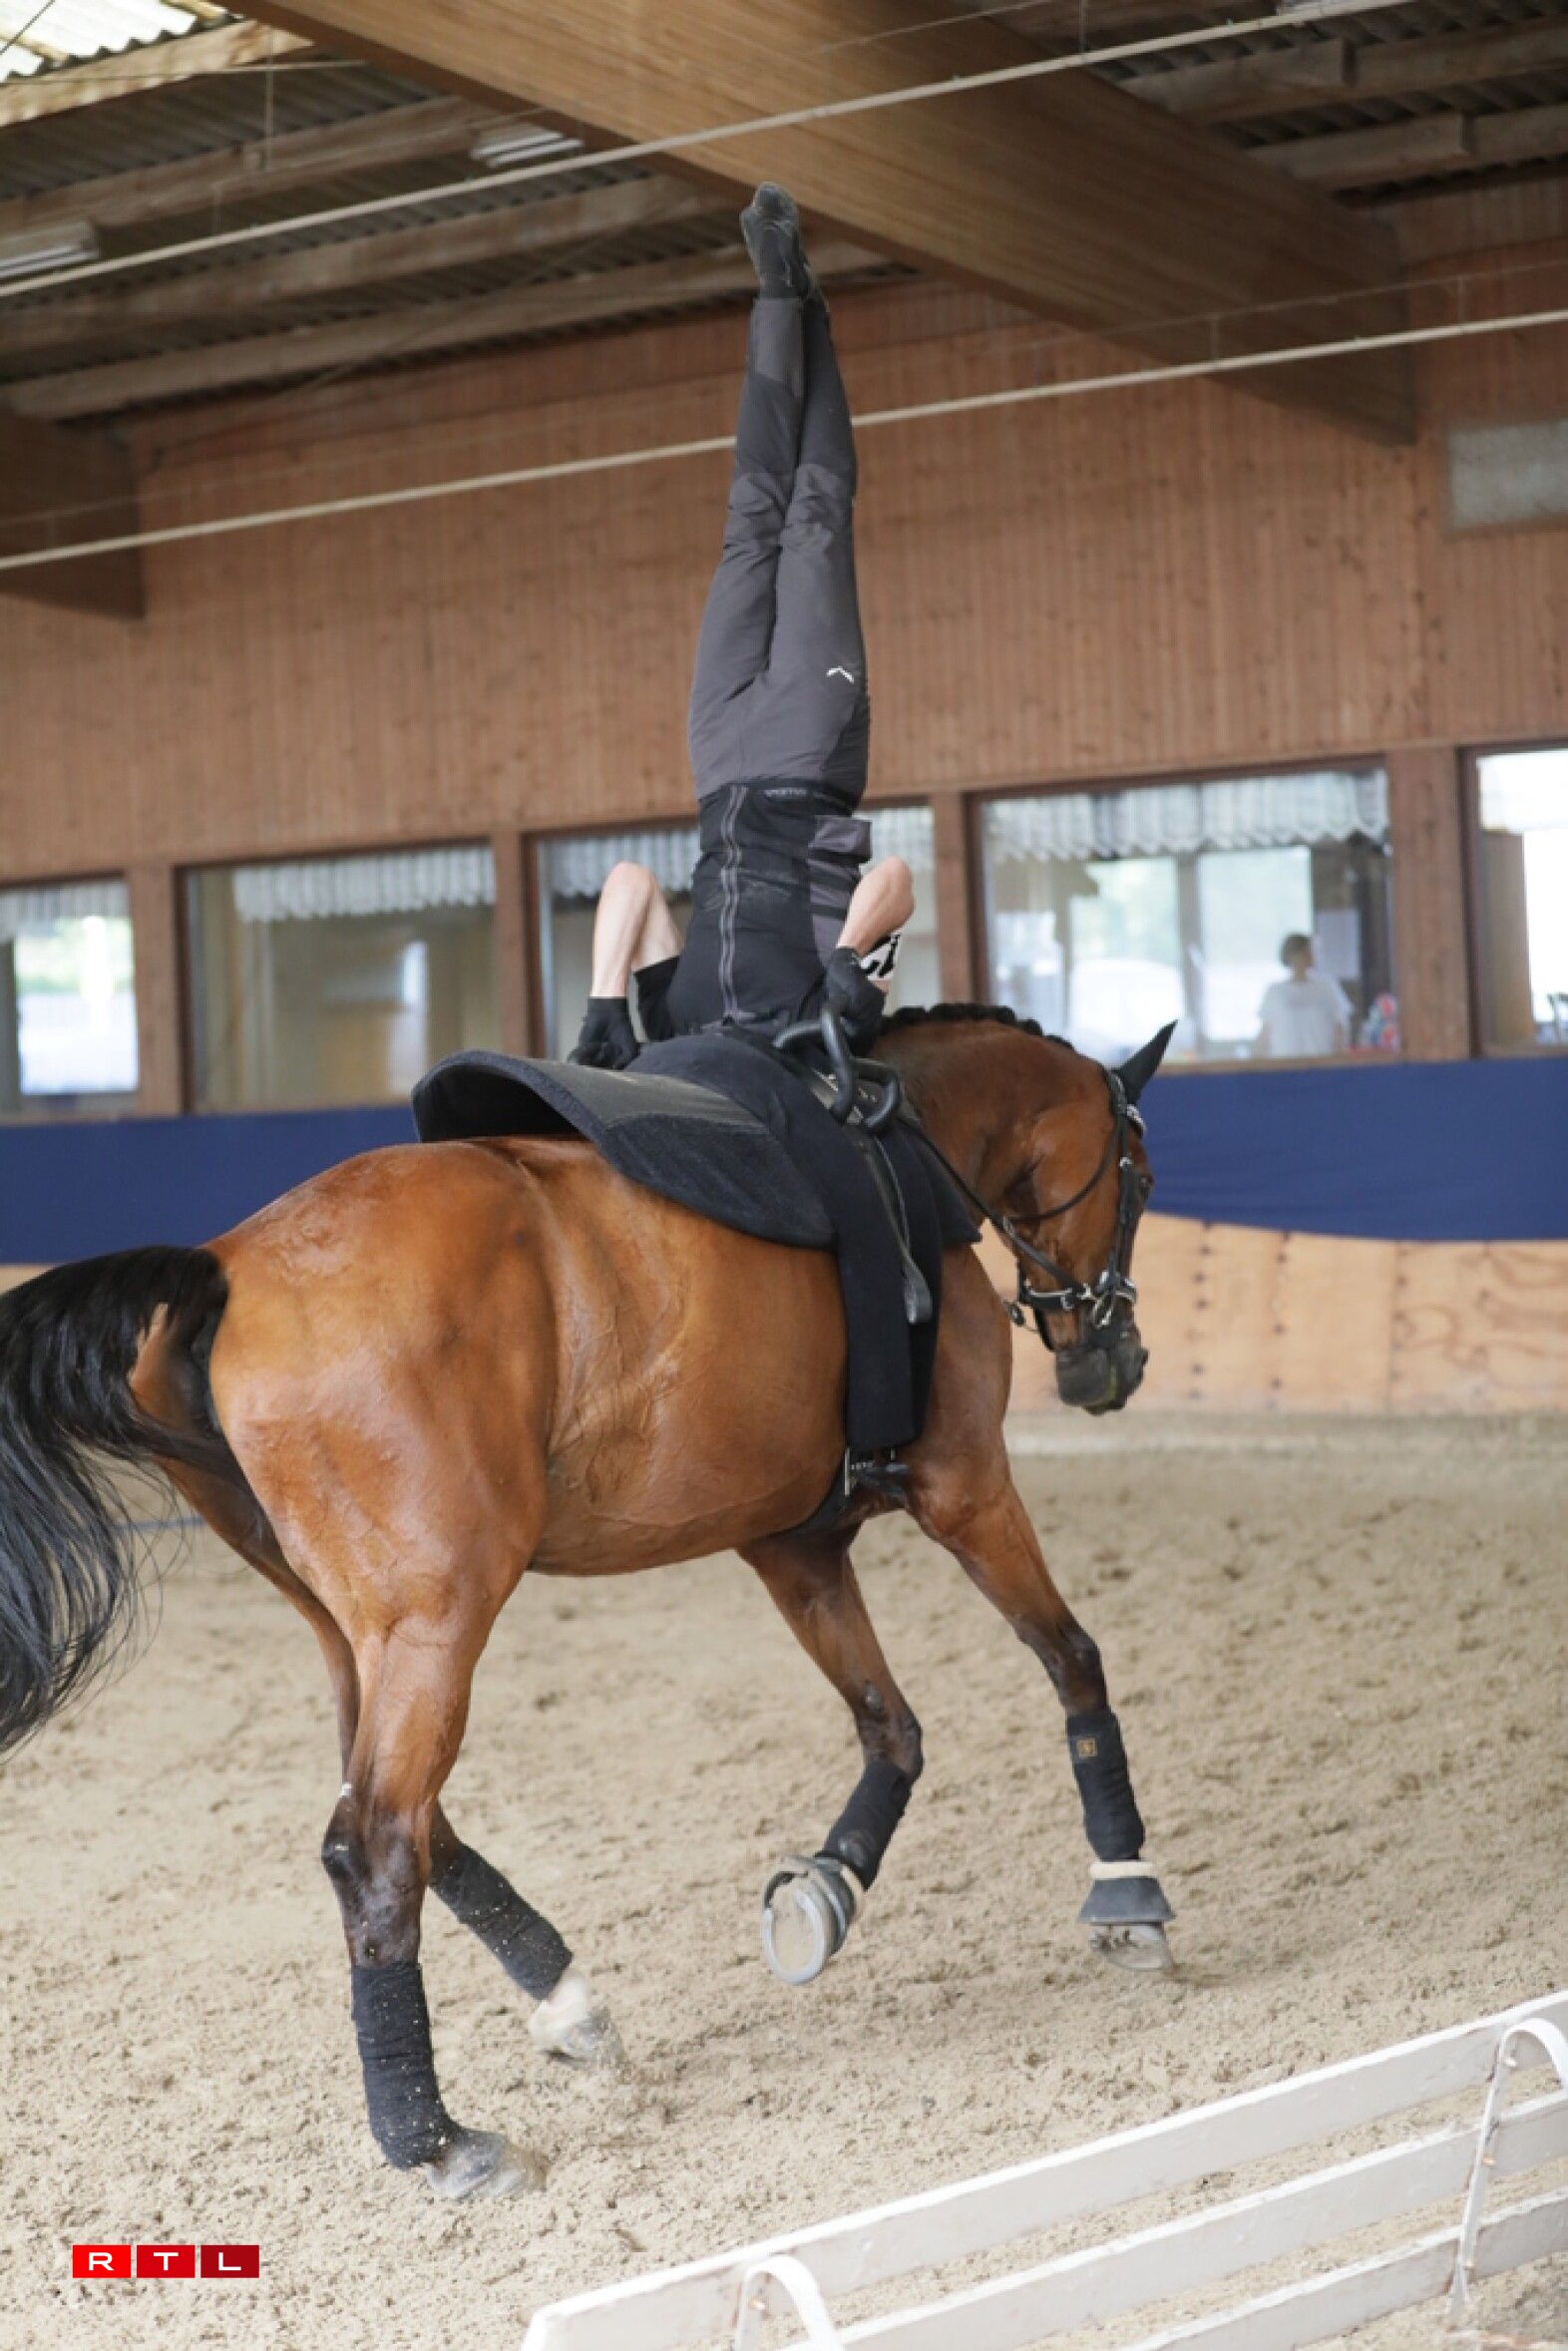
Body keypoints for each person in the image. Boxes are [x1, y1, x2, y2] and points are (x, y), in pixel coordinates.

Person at [570, 185, 914, 1071]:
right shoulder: (827, 1025)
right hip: (807, 758)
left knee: (750, 521)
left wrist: (605, 1003)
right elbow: (895, 882)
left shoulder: (673, 1027)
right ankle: (802, 309)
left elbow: (631, 884)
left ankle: (780, 298)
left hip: (718, 764)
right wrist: (850, 966)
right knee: (814, 520)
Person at [1255, 932, 1353, 1059]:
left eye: (1309, 952)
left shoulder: (1326, 987)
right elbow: (1265, 1032)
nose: (1308, 956)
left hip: (1321, 1060)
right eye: (1303, 952)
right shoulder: (1275, 991)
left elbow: (1339, 1027)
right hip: (1285, 1062)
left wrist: (1340, 1059)